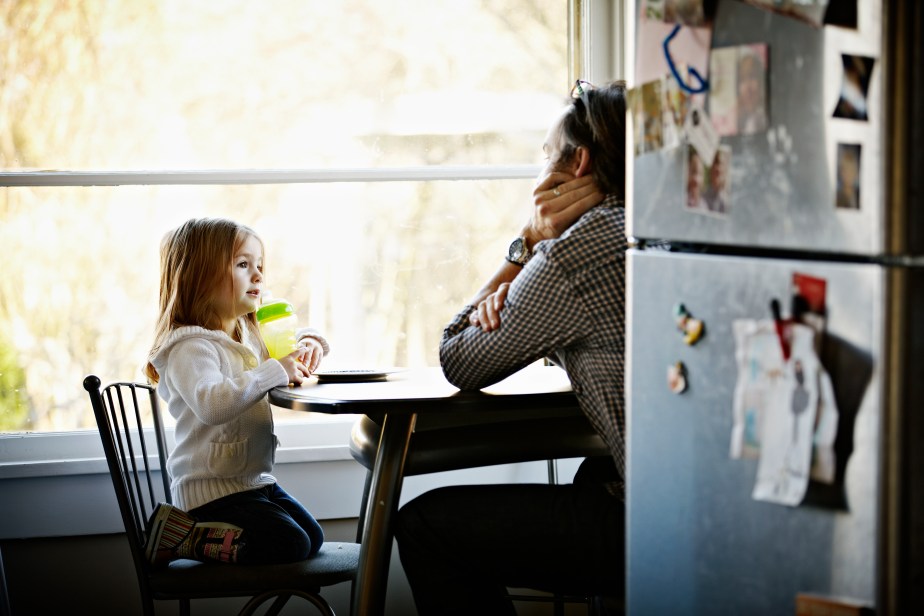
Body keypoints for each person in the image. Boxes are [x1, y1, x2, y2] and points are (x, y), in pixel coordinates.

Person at [394, 80, 629, 615]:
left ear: (578, 164)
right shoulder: (655, 226)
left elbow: (458, 356)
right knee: (593, 475)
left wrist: (524, 247)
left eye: (545, 155)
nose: (537, 170)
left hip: (649, 518)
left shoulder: (574, 253)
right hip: (717, 501)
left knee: (426, 525)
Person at [141, 217, 329, 566]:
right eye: (243, 265)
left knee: (312, 538)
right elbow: (213, 405)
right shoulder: (189, 347)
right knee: (290, 544)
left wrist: (308, 342)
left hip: (250, 481)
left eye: (259, 265)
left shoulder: (244, 336)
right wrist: (275, 370)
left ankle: (200, 536)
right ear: (198, 276)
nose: (258, 275)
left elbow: (282, 348)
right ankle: (183, 534)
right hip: (210, 491)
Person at [706, 146, 730, 213]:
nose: (717, 168)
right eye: (715, 163)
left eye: (720, 163)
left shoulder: (727, 200)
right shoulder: (703, 197)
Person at [687, 144, 709, 211]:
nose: (696, 178)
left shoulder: (704, 206)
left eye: (699, 174)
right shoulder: (684, 198)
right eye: (693, 172)